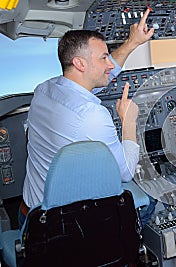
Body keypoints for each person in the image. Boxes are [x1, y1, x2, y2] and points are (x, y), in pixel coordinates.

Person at [20, 9, 155, 226]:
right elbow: (127, 172)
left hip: (29, 214)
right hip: (60, 230)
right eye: (104, 58)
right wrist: (129, 121)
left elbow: (99, 78)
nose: (110, 65)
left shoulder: (44, 89)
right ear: (80, 64)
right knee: (149, 201)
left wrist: (132, 42)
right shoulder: (92, 115)